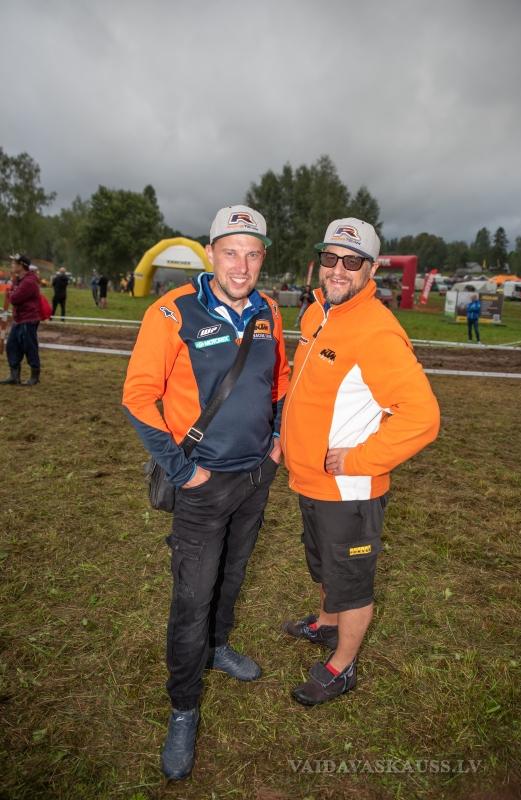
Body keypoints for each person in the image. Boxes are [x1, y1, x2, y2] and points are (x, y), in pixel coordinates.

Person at [122, 205, 289, 780]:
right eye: (230, 252)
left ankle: (218, 647)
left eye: (252, 254)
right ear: (211, 253)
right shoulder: (172, 312)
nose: (241, 266)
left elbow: (278, 381)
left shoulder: (269, 312)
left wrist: (275, 442)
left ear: (262, 258)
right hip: (201, 483)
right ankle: (184, 706)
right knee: (192, 597)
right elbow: (138, 397)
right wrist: (181, 470)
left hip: (255, 478)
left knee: (233, 575)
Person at [280, 217, 440, 706]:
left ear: (371, 270)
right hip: (311, 480)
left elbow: (422, 417)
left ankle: (341, 667)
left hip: (348, 490)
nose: (338, 269)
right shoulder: (318, 312)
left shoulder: (377, 331)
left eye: (352, 262)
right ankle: (327, 623)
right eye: (331, 258)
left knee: (350, 582)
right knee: (324, 565)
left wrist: (361, 459)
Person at [0, 254, 42, 386]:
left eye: (14, 263)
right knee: (12, 346)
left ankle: (34, 376)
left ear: (21, 266)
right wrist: (12, 289)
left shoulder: (29, 282)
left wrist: (11, 292)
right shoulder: (19, 280)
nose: (11, 265)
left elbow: (14, 298)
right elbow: (12, 293)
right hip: (19, 318)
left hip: (28, 319)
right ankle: (14, 376)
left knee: (30, 347)